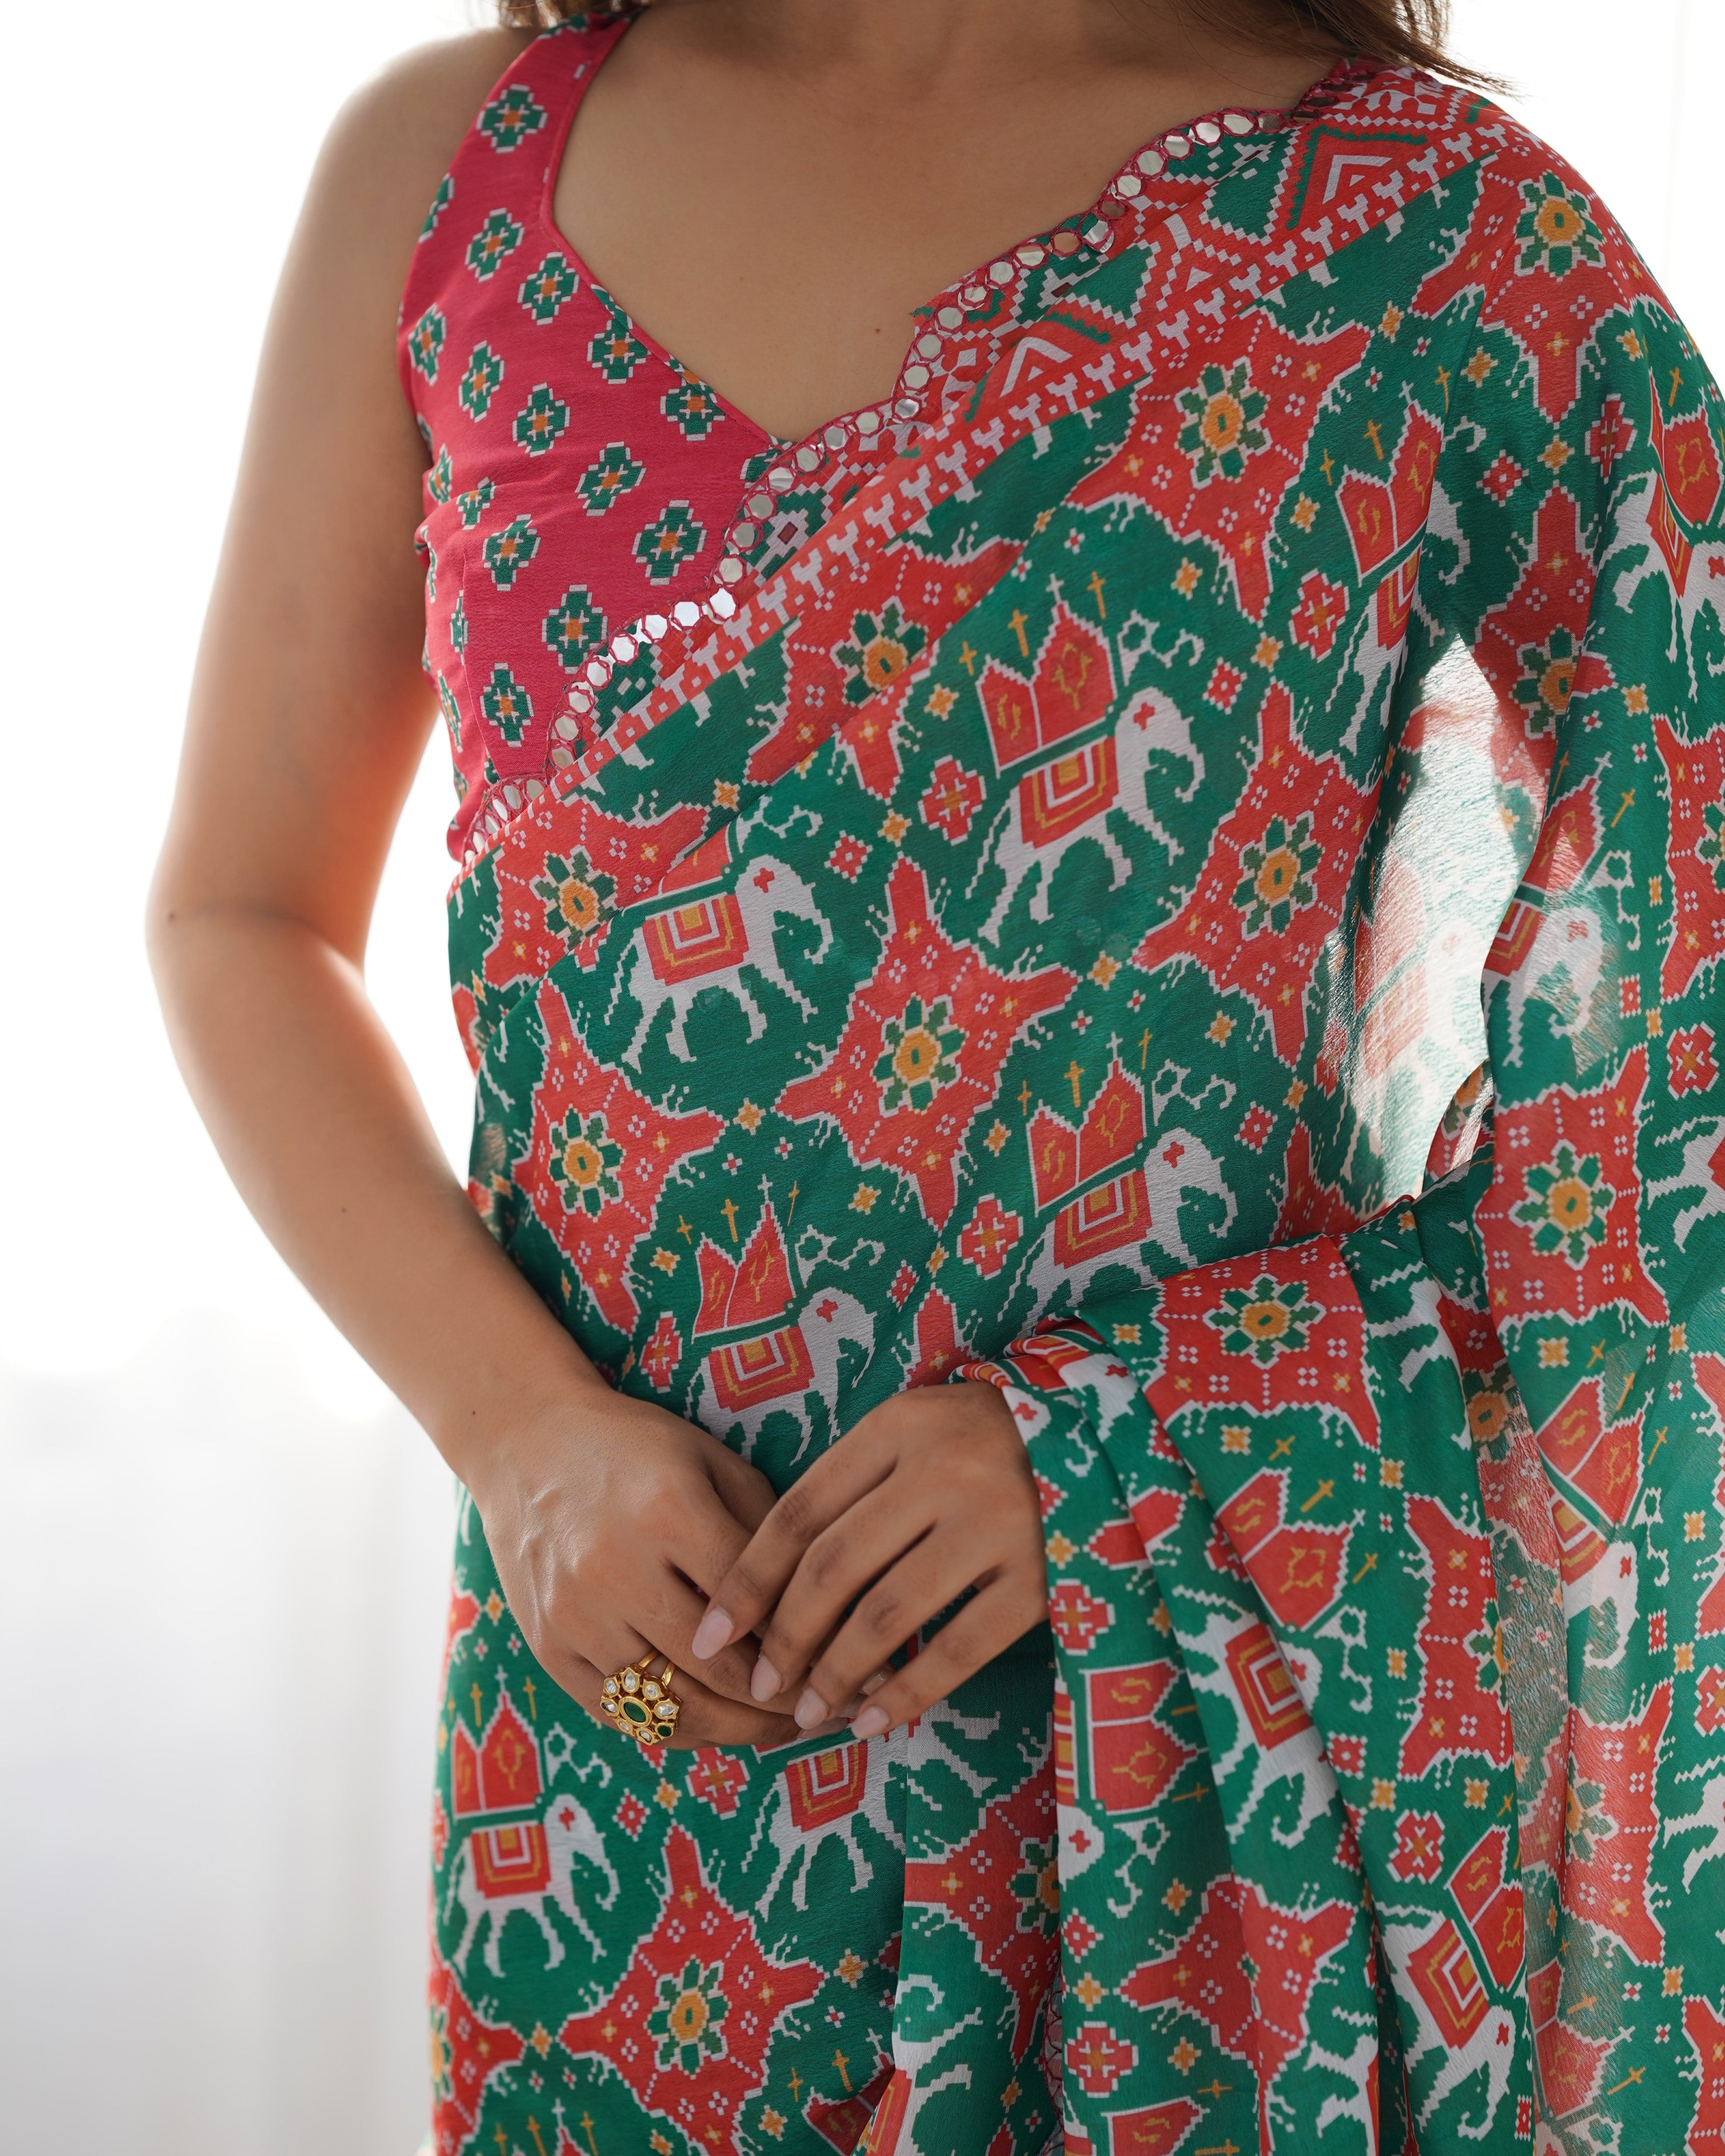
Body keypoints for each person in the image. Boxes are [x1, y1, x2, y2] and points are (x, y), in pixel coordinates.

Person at [149, 0, 1725, 2148]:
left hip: (1198, 1746)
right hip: (635, 1729)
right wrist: (521, 1441)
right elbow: (240, 914)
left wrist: (1120, 1436)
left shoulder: (1433, 241)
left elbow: (1684, 1050)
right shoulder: (450, 172)